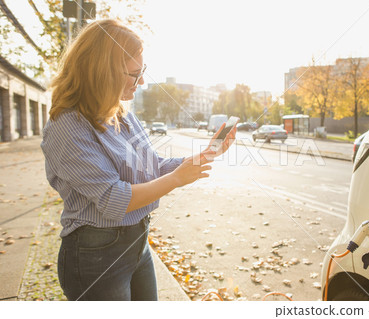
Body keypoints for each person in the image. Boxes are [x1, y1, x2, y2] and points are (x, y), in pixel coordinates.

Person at [40, 19, 236, 301]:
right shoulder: (67, 126)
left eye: (142, 71)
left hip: (137, 243)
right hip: (96, 257)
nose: (141, 81)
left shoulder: (121, 113)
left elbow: (151, 167)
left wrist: (205, 155)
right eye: (134, 74)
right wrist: (177, 179)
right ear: (101, 72)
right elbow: (113, 198)